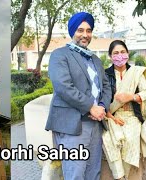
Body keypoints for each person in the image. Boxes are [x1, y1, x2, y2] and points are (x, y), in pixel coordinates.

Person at [45, 12, 112, 180]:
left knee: (93, 172)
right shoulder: (60, 55)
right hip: (72, 125)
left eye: (89, 31)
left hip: (96, 123)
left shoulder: (95, 59)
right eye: (80, 30)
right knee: (75, 174)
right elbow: (63, 87)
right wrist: (91, 106)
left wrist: (102, 106)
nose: (85, 35)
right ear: (72, 31)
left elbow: (106, 86)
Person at [102, 40, 146, 180]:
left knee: (130, 140)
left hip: (132, 116)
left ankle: (124, 175)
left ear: (127, 53)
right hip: (111, 116)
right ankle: (119, 176)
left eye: (122, 52)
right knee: (108, 140)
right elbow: (100, 98)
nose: (119, 56)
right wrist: (111, 116)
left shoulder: (136, 73)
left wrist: (131, 97)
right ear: (110, 56)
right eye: (115, 53)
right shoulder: (105, 75)